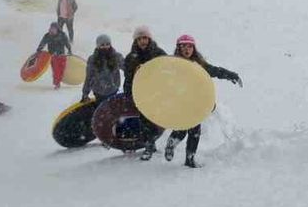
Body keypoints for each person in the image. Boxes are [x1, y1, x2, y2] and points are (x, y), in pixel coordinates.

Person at [162, 34, 242, 169]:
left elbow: (215, 71)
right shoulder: (173, 65)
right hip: (181, 102)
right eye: (183, 46)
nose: (187, 49)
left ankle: (184, 153)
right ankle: (179, 150)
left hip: (195, 102)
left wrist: (231, 75)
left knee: (191, 130)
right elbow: (161, 77)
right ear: (178, 48)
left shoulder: (199, 64)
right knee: (186, 129)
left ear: (193, 48)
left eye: (190, 46)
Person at [123, 25, 167, 160]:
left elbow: (168, 71)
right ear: (136, 40)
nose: (142, 41)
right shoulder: (131, 57)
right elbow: (128, 78)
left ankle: (152, 142)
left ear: (149, 39)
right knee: (144, 120)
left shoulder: (158, 53)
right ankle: (149, 146)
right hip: (140, 93)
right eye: (140, 38)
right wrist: (128, 93)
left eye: (145, 38)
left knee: (155, 119)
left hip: (156, 91)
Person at [81, 35, 123, 102]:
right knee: (102, 107)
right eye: (102, 45)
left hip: (113, 90)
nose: (105, 47)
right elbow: (89, 77)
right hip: (98, 92)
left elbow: (127, 69)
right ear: (98, 46)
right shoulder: (93, 59)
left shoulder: (116, 56)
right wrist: (85, 93)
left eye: (107, 44)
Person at [36, 22, 73, 89]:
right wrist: (39, 49)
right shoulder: (47, 36)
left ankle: (58, 81)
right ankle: (57, 83)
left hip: (62, 55)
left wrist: (69, 50)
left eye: (54, 28)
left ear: (57, 29)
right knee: (56, 70)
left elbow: (67, 43)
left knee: (61, 70)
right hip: (53, 56)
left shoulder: (62, 35)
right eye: (51, 28)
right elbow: (43, 43)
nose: (52, 30)